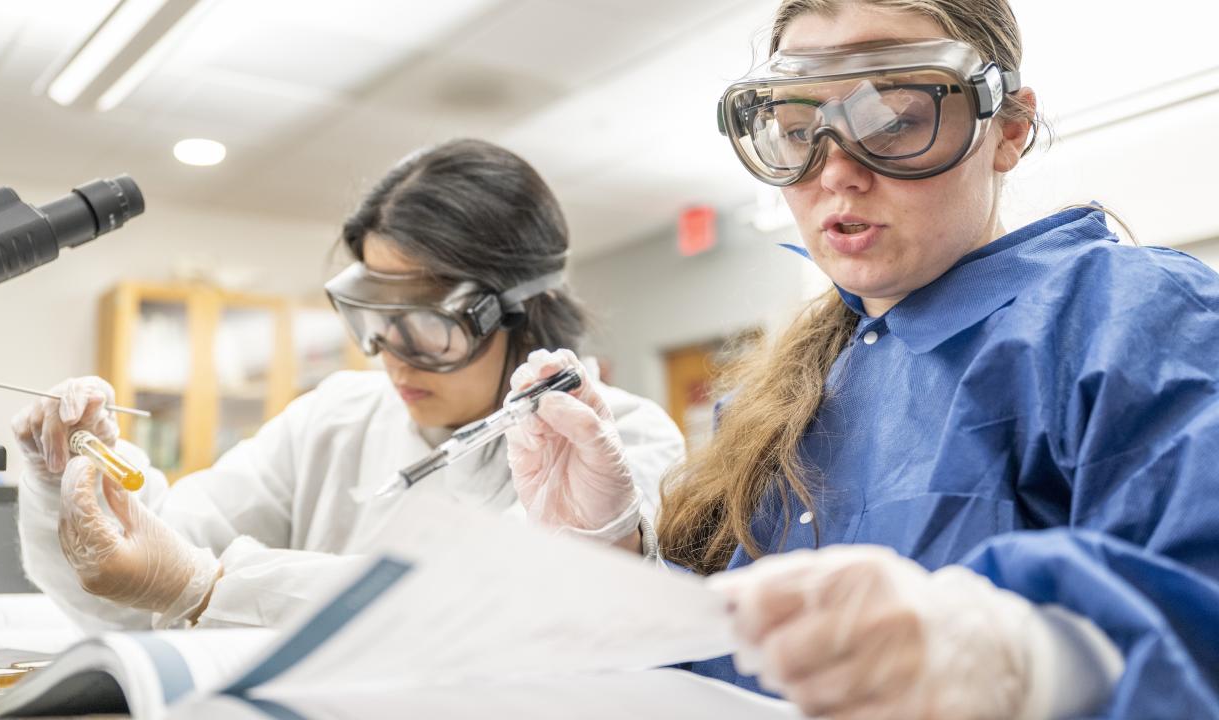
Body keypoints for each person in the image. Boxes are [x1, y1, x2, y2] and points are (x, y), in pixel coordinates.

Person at [506, 1, 1219, 718]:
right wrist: (613, 553)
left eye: (896, 120)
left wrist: (1032, 664)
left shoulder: (1133, 315)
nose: (837, 172)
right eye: (797, 133)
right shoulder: (781, 396)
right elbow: (725, 669)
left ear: (1008, 129)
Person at [14, 139, 684, 631]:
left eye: (426, 323)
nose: (392, 356)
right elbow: (138, 583)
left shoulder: (624, 442)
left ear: (521, 308)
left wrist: (209, 587)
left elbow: (481, 611)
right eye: (372, 318)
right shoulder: (336, 416)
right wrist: (72, 482)